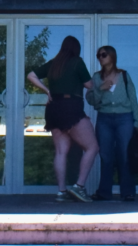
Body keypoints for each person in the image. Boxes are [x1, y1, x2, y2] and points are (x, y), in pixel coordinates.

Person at [26, 35, 98, 202]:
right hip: (70, 107)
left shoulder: (54, 63)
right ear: (76, 49)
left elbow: (31, 75)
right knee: (92, 147)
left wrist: (47, 91)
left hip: (53, 108)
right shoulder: (77, 62)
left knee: (60, 151)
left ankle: (61, 191)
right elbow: (89, 85)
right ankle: (79, 186)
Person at [86, 45, 138, 202]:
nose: (100, 58)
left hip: (125, 118)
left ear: (112, 56)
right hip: (104, 118)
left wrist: (137, 122)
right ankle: (104, 192)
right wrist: (101, 89)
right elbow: (91, 100)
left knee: (124, 155)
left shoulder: (123, 75)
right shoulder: (96, 77)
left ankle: (128, 192)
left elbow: (133, 98)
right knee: (106, 156)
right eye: (98, 55)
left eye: (103, 54)